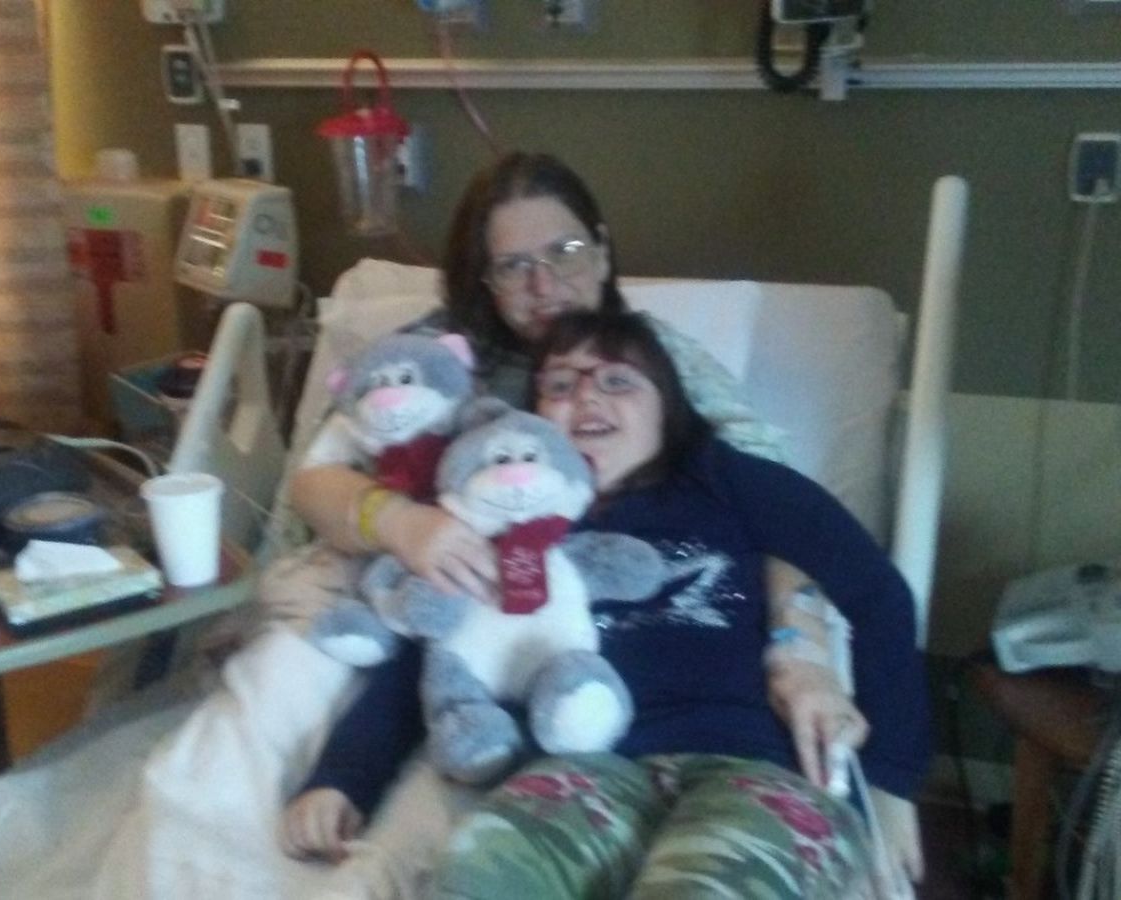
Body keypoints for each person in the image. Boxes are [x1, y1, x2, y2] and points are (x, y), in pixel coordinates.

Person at [281, 310, 929, 898]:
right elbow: (436, 657)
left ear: (667, 407)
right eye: (560, 385)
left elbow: (878, 596)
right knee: (478, 876)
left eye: (618, 381)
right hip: (584, 773)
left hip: (751, 763)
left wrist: (890, 780)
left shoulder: (726, 481)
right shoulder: (506, 524)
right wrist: (343, 777)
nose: (587, 396)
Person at [287, 151, 858, 787]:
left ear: (603, 252)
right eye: (513, 266)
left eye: (565, 251)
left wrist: (800, 648)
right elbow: (311, 483)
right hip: (407, 591)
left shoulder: (651, 359)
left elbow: (777, 515)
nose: (544, 284)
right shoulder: (434, 353)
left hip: (578, 633)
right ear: (484, 280)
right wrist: (402, 524)